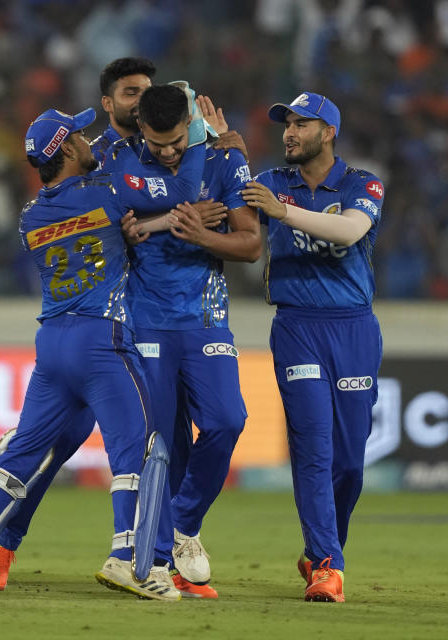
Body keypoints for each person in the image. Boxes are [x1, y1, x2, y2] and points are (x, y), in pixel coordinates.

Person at [0, 105, 207, 601]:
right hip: (103, 340)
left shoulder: (31, 215)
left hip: (53, 344)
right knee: (137, 452)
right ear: (69, 149)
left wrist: (149, 224)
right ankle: (129, 563)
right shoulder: (109, 191)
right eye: (79, 136)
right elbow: (183, 191)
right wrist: (202, 140)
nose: (88, 140)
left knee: (21, 452)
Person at [112, 84, 261, 598]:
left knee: (226, 420)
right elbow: (115, 229)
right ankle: (157, 563)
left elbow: (251, 244)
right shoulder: (123, 161)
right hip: (146, 320)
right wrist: (146, 227)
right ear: (141, 132)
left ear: (189, 128)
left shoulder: (224, 159)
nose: (169, 152)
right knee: (164, 442)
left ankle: (181, 526)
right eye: (158, 144)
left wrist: (203, 237)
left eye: (177, 141)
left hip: (204, 320)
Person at [239, 91, 385, 603]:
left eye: (302, 123)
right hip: (297, 327)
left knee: (348, 462)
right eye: (286, 123)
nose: (289, 132)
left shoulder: (362, 184)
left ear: (328, 133)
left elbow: (349, 231)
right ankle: (328, 564)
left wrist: (283, 213)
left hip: (354, 329)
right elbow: (226, 219)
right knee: (313, 450)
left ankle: (323, 551)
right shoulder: (268, 184)